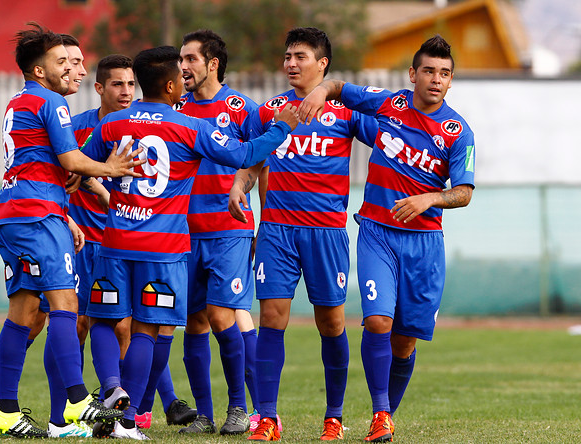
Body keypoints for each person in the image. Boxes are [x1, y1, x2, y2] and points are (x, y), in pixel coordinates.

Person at [83, 45, 298, 440]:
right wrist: (282, 127)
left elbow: (81, 165)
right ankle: (129, 418)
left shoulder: (112, 124)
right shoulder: (188, 127)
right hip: (163, 250)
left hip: (113, 242)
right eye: (178, 75)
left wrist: (103, 177)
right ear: (169, 85)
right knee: (147, 329)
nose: (184, 78)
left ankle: (113, 389)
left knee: (103, 319)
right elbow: (246, 153)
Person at [298, 35, 475, 442]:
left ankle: (385, 417)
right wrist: (321, 90)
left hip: (424, 244)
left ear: (451, 81)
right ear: (413, 74)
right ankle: (380, 413)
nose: (436, 79)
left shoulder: (459, 131)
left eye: (444, 73)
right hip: (377, 232)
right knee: (377, 320)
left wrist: (430, 197)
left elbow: (464, 192)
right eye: (428, 70)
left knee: (405, 343)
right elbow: (340, 88)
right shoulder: (390, 103)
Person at [0, 23, 144, 438]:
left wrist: (66, 215)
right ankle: (75, 401)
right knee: (66, 304)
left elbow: (40, 164)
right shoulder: (52, 101)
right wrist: (110, 170)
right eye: (64, 62)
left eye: (78, 62)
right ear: (40, 70)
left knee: (23, 313)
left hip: (16, 213)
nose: (77, 70)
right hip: (35, 218)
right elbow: (70, 160)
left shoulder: (20, 100)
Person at [228, 27, 378, 441]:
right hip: (276, 231)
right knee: (272, 318)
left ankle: (334, 417)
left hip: (326, 233)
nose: (291, 63)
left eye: (301, 56)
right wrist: (240, 185)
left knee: (330, 323)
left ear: (322, 63)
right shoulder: (270, 110)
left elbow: (389, 133)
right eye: (288, 56)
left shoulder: (346, 113)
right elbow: (251, 157)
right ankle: (268, 419)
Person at [173, 29, 259, 436]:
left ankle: (239, 410)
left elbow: (258, 158)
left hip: (229, 230)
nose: (183, 66)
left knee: (223, 316)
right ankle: (205, 415)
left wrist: (242, 184)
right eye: (181, 59)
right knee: (194, 322)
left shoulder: (242, 108)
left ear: (212, 64)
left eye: (190, 59)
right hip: (183, 232)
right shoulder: (175, 109)